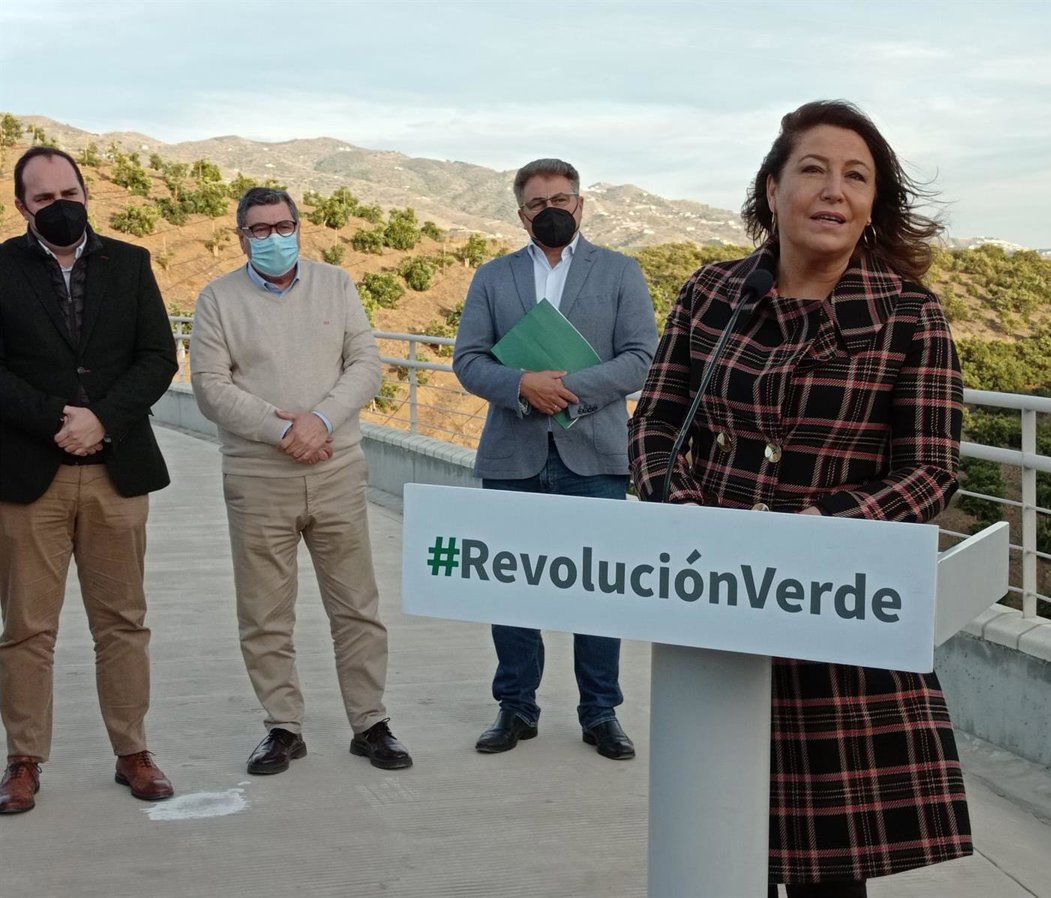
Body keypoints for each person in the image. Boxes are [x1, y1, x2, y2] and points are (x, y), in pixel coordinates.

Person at [628, 101, 970, 896]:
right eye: (813, 170)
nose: (833, 191)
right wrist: (678, 503)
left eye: (856, 177)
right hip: (717, 599)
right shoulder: (712, 293)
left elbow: (930, 471)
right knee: (717, 842)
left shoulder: (910, 316)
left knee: (827, 871)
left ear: (873, 203)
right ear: (772, 190)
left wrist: (829, 528)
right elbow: (657, 422)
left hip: (833, 616)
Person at [190, 187, 411, 775]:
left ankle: (371, 723)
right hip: (259, 477)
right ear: (241, 237)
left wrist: (320, 421)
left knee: (357, 607)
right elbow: (209, 386)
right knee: (265, 613)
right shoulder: (218, 299)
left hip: (337, 469)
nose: (273, 238)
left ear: (298, 227)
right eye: (259, 230)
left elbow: (365, 363)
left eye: (282, 226)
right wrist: (281, 429)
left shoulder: (336, 285)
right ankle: (283, 727)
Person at [453, 158, 658, 760]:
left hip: (594, 456)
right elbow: (468, 360)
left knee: (598, 591)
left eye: (561, 200)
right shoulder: (493, 277)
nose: (551, 211)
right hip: (512, 454)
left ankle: (601, 712)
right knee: (510, 589)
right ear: (522, 215)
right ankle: (516, 706)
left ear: (580, 205)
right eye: (538, 203)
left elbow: (641, 357)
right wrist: (522, 385)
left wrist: (567, 388)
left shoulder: (620, 271)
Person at [0, 146, 178, 813]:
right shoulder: (2, 268)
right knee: (27, 628)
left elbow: (158, 356)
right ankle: (23, 760)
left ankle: (133, 752)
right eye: (44, 198)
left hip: (116, 471)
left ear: (86, 192)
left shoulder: (130, 264)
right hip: (30, 476)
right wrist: (59, 420)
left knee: (123, 622)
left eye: (69, 193)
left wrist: (103, 420)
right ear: (22, 205)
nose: (60, 206)